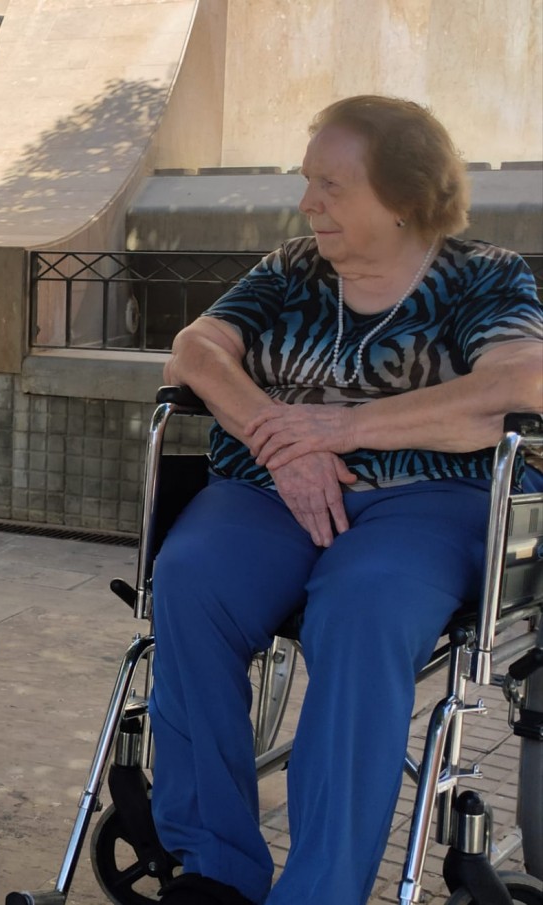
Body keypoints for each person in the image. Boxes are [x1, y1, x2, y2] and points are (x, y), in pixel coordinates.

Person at [148, 95, 543, 905]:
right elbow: (194, 351)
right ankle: (216, 866)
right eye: (307, 181)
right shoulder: (291, 270)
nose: (308, 202)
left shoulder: (483, 276)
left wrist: (342, 426)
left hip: (428, 499)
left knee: (361, 609)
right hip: (272, 489)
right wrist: (278, 441)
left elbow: (522, 384)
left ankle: (319, 891)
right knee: (190, 579)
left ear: (404, 195)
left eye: (330, 185)